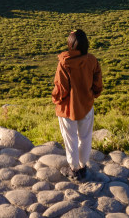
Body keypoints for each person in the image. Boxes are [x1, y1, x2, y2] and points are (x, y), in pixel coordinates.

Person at [51, 29, 103, 181]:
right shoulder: (92, 60)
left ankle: (73, 169)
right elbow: (97, 82)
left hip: (67, 107)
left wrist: (56, 99)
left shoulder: (64, 63)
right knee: (85, 137)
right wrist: (93, 94)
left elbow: (61, 88)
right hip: (86, 104)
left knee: (70, 138)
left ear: (70, 44)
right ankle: (83, 166)